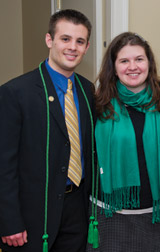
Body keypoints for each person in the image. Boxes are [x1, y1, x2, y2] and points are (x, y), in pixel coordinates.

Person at [0, 9, 95, 252]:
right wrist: (9, 220)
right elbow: (4, 164)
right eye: (65, 39)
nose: (72, 47)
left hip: (77, 209)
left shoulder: (87, 91)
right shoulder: (15, 93)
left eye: (80, 41)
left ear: (86, 47)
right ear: (49, 40)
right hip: (33, 213)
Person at [87, 32, 160, 252]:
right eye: (124, 61)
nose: (133, 66)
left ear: (149, 63)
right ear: (114, 66)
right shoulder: (98, 105)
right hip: (108, 211)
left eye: (139, 59)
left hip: (155, 211)